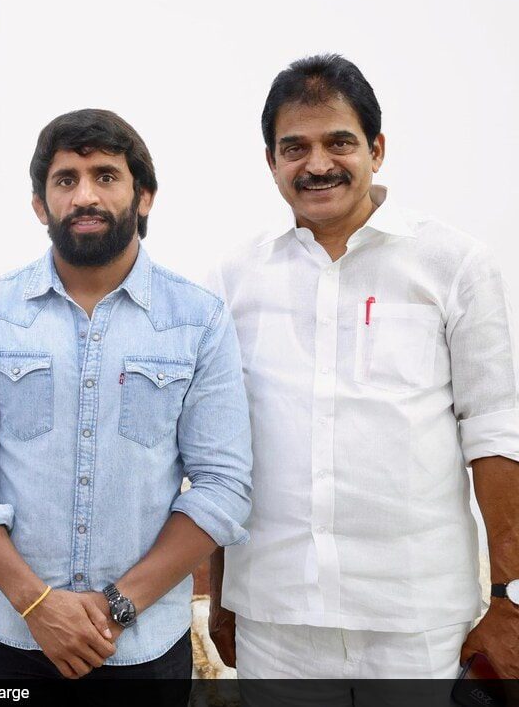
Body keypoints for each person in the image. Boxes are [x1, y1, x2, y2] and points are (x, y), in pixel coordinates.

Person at [209, 54, 519, 684]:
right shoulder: (233, 278)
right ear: (270, 161)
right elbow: (217, 446)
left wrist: (509, 598)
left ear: (376, 149)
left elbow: (494, 431)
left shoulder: (452, 263)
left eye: (339, 142)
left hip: (418, 619)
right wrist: (220, 596)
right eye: (294, 147)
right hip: (275, 614)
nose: (317, 164)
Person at [0, 109, 252, 696]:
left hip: (143, 647)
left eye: (106, 176)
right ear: (39, 205)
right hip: (10, 640)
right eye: (65, 179)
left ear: (145, 197)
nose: (85, 195)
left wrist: (116, 609)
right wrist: (39, 607)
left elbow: (222, 485)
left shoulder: (198, 320)